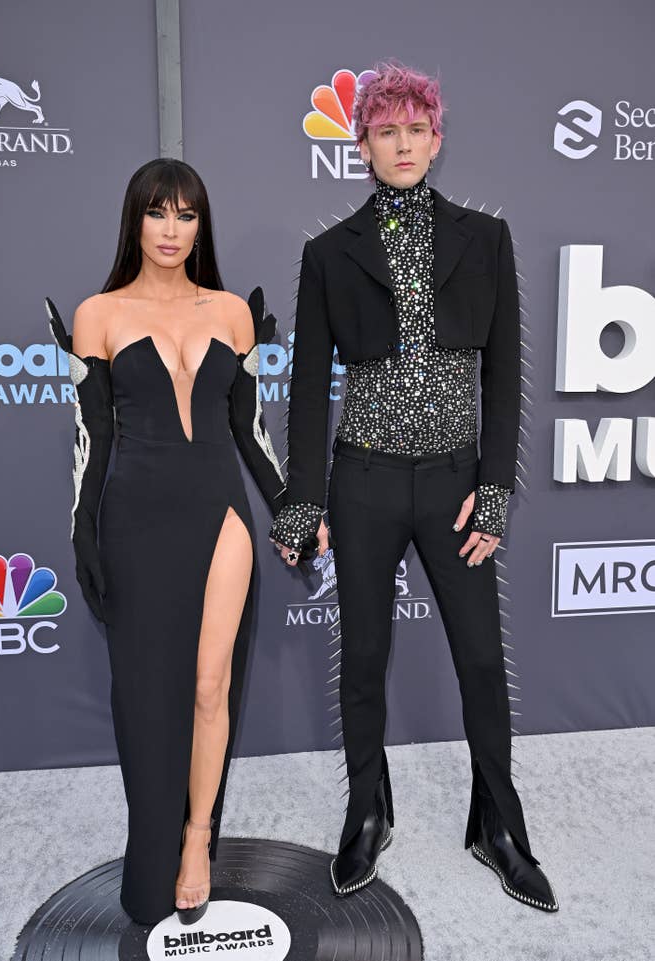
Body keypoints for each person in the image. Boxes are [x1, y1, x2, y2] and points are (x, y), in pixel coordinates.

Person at [270, 63, 558, 911]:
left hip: (454, 487)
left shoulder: (485, 237)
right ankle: (368, 809)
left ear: (437, 138)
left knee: (479, 656)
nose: (401, 143)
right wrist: (306, 499)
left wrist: (495, 489)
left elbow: (504, 377)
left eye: (415, 128)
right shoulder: (328, 254)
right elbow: (307, 388)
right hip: (361, 482)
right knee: (362, 656)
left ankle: (498, 825)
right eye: (384, 130)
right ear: (361, 145)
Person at [46, 158, 286, 925]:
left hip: (221, 513)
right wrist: (83, 530)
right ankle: (152, 848)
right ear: (136, 221)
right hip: (136, 520)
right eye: (158, 213)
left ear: (200, 225)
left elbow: (250, 432)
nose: (172, 230)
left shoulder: (232, 312)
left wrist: (288, 507)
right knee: (149, 702)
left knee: (212, 687)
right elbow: (92, 437)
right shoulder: (99, 314)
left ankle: (196, 838)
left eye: (186, 215)